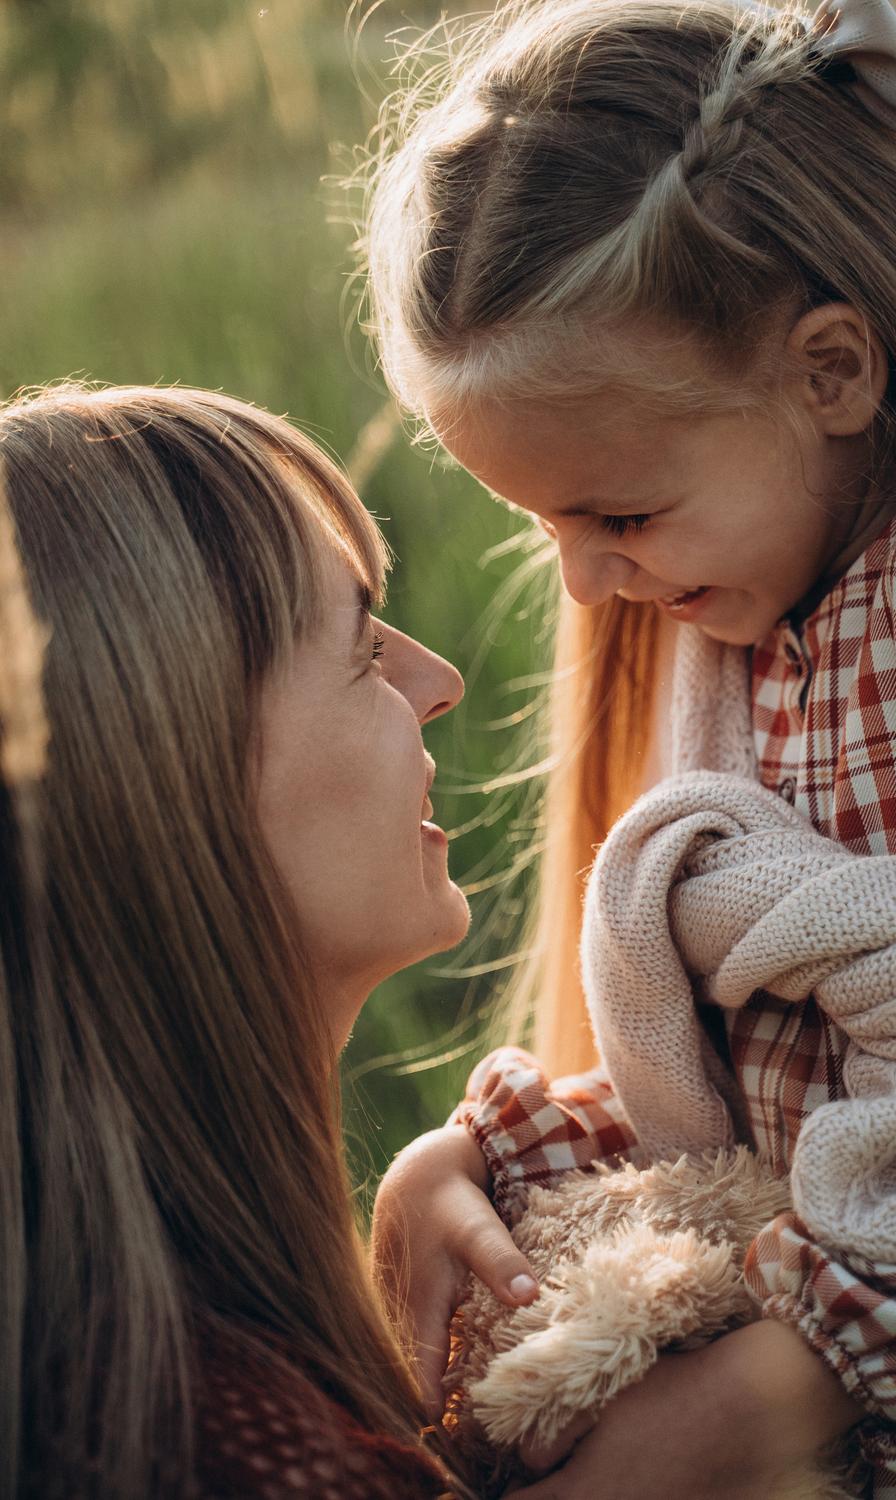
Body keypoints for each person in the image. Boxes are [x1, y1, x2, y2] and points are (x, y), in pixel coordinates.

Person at [360, 1, 896, 1496]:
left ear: (833, 371)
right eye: (542, 524)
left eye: (619, 516)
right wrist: (487, 1158)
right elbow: (792, 1098)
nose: (582, 583)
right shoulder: (740, 626)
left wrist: (796, 1381)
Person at [0, 383, 472, 1499]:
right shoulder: (239, 1455)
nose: (438, 684)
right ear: (167, 777)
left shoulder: (126, 1363)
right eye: (362, 653)